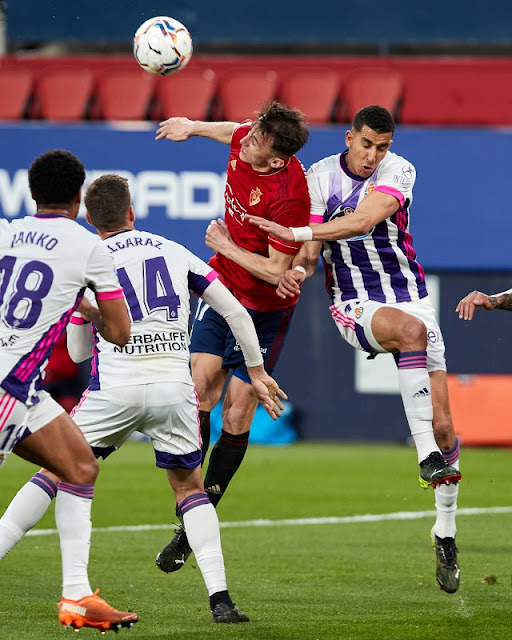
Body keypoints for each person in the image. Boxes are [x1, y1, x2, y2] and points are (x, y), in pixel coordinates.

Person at [0, 173, 287, 623]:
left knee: (57, 471)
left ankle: (47, 572)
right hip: (174, 390)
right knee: (189, 489)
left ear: (90, 218)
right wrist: (255, 368)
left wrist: (89, 319)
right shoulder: (172, 250)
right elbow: (231, 308)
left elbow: (77, 354)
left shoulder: (89, 255)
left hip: (113, 390)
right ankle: (221, 601)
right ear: (132, 212)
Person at [247, 105, 462, 594]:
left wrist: (298, 233)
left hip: (409, 296)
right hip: (354, 301)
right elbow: (313, 247)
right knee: (410, 334)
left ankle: (445, 532)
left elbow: (366, 219)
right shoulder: (320, 176)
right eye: (366, 144)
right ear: (349, 137)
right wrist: (300, 266)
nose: (372, 155)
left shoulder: (400, 170)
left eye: (381, 146)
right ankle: (423, 451)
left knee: (447, 426)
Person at [153, 101, 310, 572]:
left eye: (258, 138)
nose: (247, 139)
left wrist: (224, 245)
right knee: (198, 388)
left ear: (277, 159)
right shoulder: (249, 137)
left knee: (237, 413)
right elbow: (231, 129)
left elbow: (275, 270)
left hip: (265, 309)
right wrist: (191, 126)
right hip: (223, 293)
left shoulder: (289, 196)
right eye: (255, 129)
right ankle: (189, 495)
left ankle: (192, 527)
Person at [0, 150, 137, 632]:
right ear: (79, 197)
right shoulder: (89, 248)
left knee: (80, 465)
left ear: (31, 193)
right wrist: (89, 306)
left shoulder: (5, 231)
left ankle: (76, 594)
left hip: (23, 391)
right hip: (5, 388)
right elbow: (119, 333)